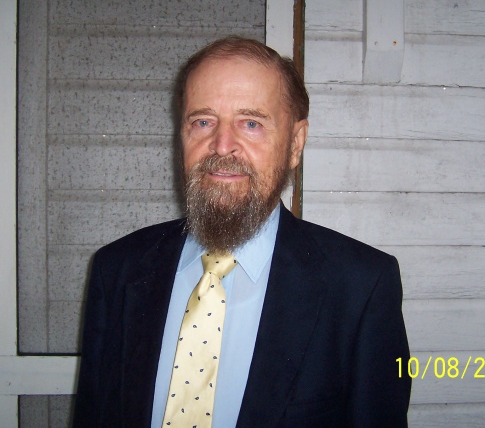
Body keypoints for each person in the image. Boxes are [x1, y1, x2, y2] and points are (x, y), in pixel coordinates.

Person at [73, 37, 411, 427]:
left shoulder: (361, 287)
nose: (222, 145)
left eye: (251, 123)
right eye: (203, 121)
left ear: (295, 144)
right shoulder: (117, 270)